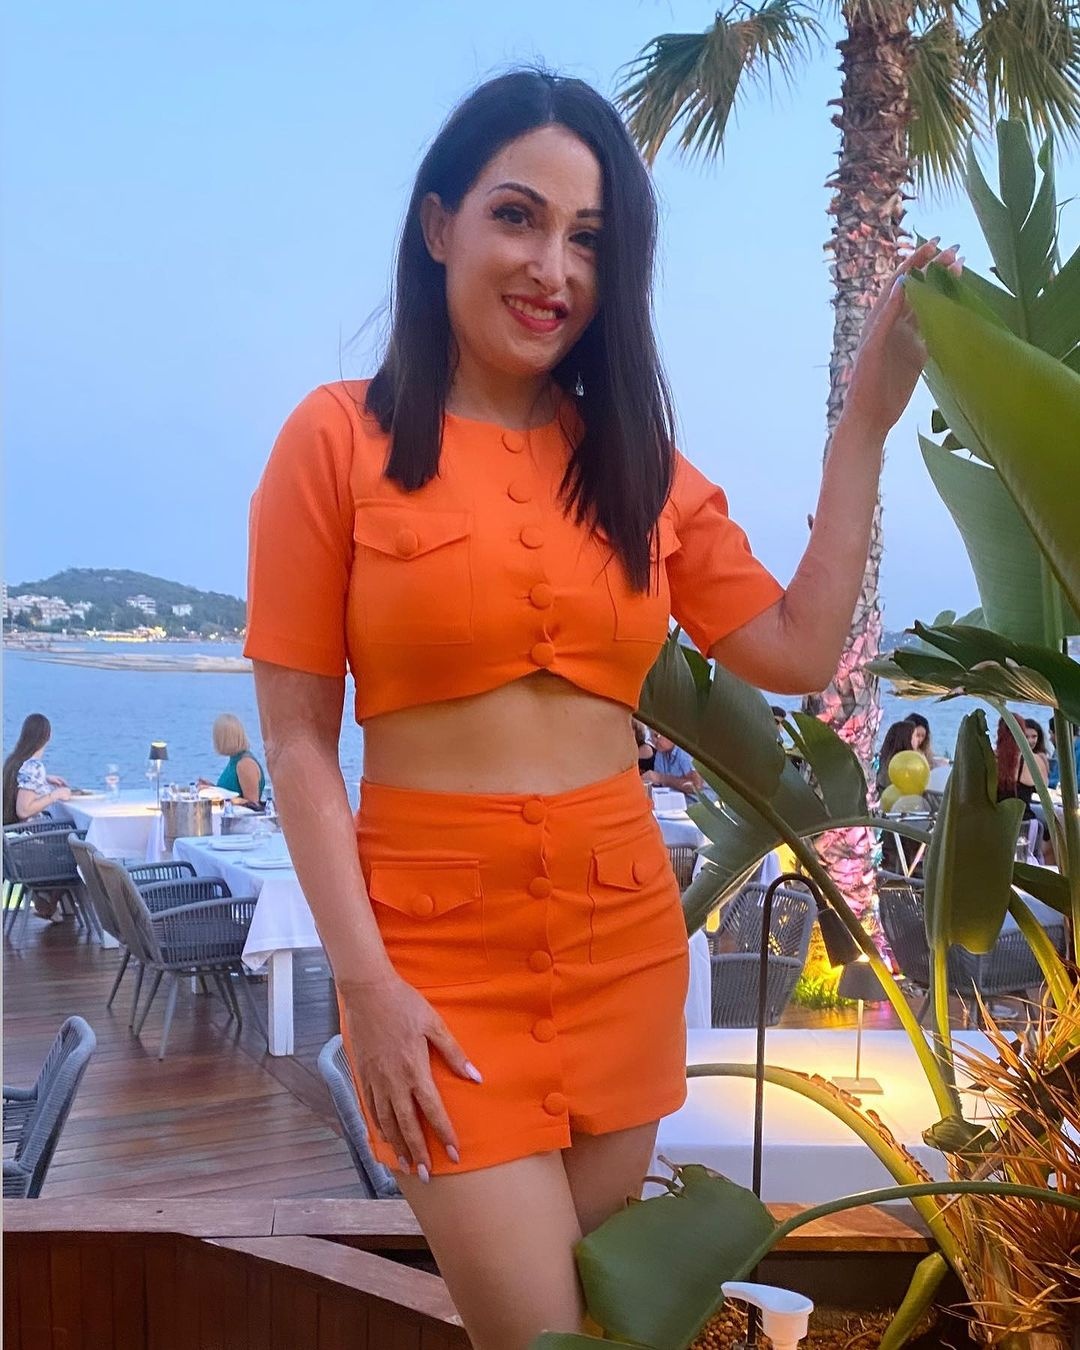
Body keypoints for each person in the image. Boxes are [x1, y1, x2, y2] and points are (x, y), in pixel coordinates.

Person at [243, 70, 956, 1349]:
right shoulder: (335, 441)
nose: (552, 268)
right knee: (540, 1334)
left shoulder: (635, 465)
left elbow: (796, 650)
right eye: (517, 217)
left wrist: (865, 425)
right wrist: (367, 987)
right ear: (438, 223)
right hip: (433, 962)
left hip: (620, 944)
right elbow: (298, 741)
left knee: (604, 1322)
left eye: (588, 238)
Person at [2, 713, 73, 921]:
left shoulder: (14, 763)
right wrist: (55, 795)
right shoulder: (33, 767)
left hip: (14, 845)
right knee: (81, 852)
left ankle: (46, 898)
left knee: (71, 842)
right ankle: (49, 903)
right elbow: (24, 810)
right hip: (31, 845)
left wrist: (45, 780)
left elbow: (22, 785)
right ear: (47, 736)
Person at [197, 713, 266, 808]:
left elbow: (253, 805)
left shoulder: (245, 764)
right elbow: (233, 792)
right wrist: (212, 789)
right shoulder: (234, 760)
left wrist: (217, 795)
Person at [642, 732, 704, 797]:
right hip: (672, 799)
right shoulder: (660, 753)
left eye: (657, 736)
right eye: (651, 737)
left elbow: (697, 786)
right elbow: (657, 784)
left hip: (696, 802)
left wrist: (661, 778)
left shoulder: (683, 751)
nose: (654, 741)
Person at [875, 719, 917, 795]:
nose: (917, 740)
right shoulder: (904, 766)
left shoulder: (884, 760)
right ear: (907, 739)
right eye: (915, 736)